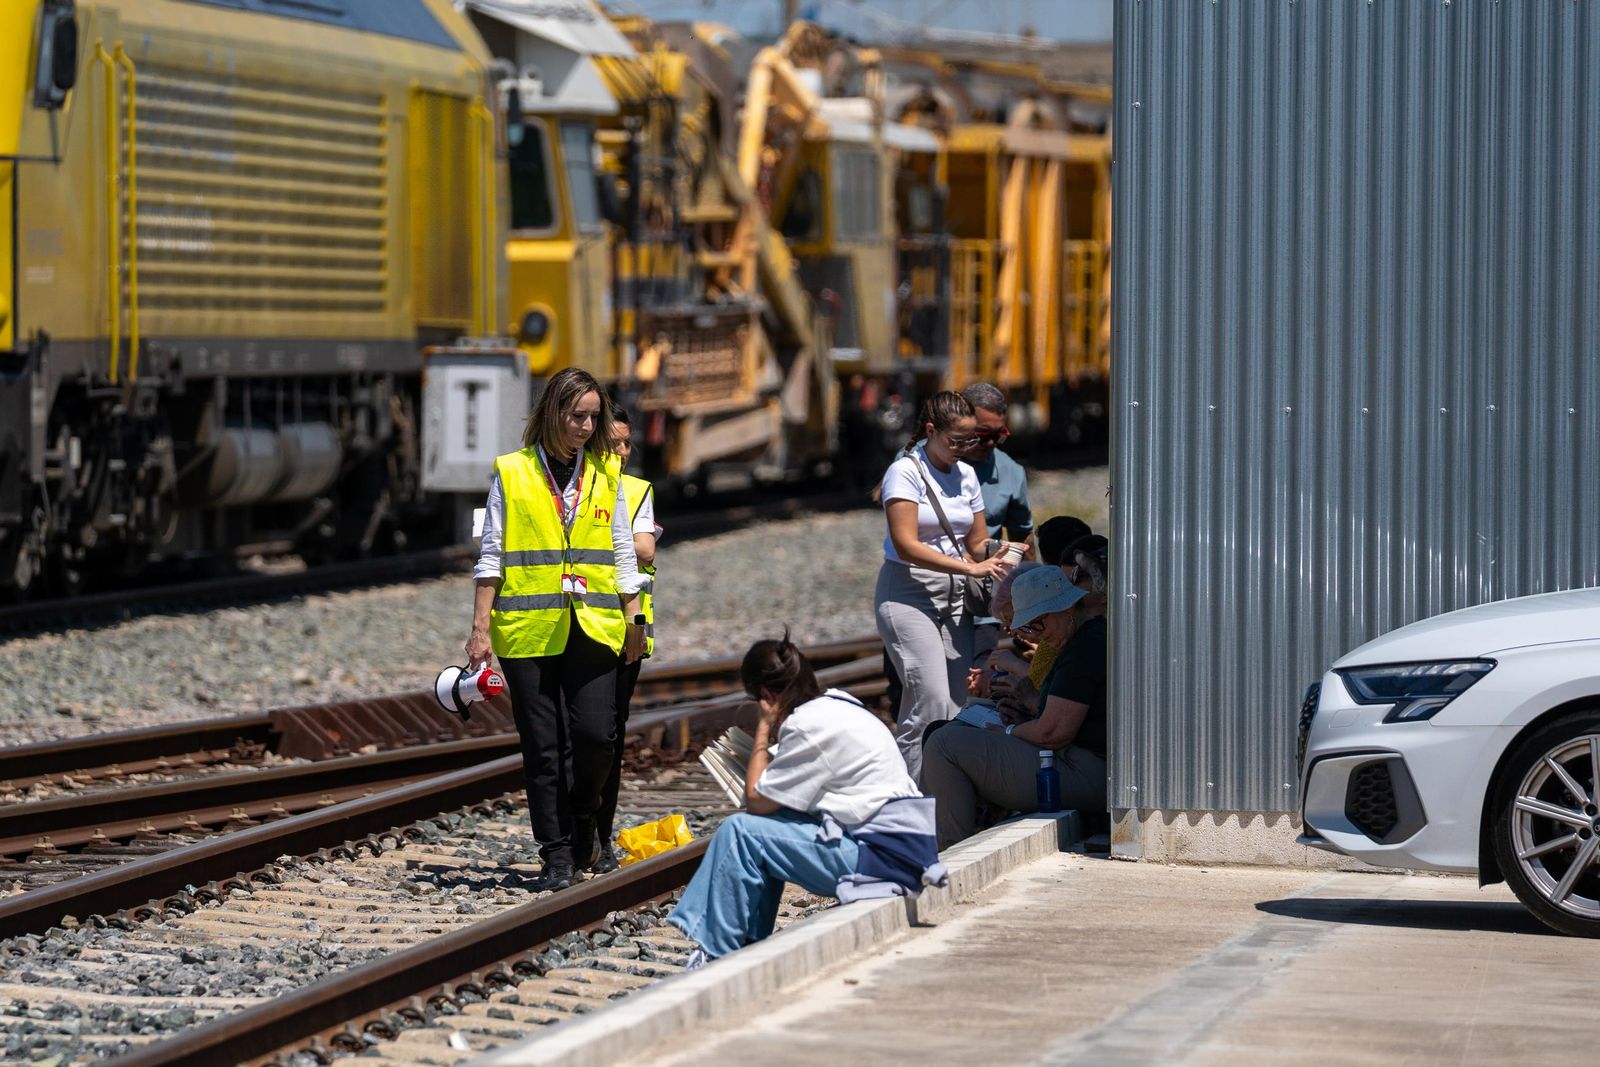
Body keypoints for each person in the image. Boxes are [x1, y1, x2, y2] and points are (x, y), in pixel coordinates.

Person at [464, 368, 649, 891]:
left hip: (593, 624)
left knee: (596, 735)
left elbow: (619, 550)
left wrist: (635, 616)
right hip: (527, 630)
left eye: (595, 416)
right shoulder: (513, 471)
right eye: (578, 416)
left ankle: (587, 821)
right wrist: (480, 629)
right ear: (553, 413)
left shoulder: (604, 473)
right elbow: (492, 554)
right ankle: (557, 854)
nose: (588, 426)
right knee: (543, 747)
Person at [668, 635, 944, 969]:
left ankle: (717, 951)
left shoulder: (807, 726)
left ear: (768, 696)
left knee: (741, 832)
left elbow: (755, 800)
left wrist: (762, 728)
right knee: (763, 833)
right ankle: (745, 945)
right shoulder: (839, 705)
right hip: (897, 850)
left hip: (879, 858)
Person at [873, 391, 1021, 782]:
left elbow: (974, 542)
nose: (963, 449)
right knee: (929, 698)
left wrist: (1000, 552)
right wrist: (969, 568)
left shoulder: (967, 474)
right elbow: (906, 544)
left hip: (955, 597)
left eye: (970, 440)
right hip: (907, 593)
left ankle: (944, 793)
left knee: (955, 702)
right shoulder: (904, 472)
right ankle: (913, 802)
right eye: (956, 440)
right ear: (931, 430)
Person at [921, 566, 1107, 848]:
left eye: (1036, 624)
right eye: (1028, 627)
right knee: (946, 730)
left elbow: (1052, 734)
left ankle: (948, 857)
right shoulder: (1080, 639)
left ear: (1064, 608)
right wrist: (1025, 713)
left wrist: (1009, 730)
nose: (1035, 635)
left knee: (944, 745)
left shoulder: (1084, 647)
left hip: (1091, 771)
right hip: (1085, 762)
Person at [590, 408, 661, 874]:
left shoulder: (635, 491)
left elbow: (643, 550)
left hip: (624, 630)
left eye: (626, 444)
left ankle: (600, 836)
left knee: (609, 737)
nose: (621, 452)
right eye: (612, 443)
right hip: (573, 625)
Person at [960, 383, 1034, 660]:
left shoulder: (1010, 472)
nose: (990, 443)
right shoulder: (919, 460)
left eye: (998, 435)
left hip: (980, 606)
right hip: (927, 598)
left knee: (975, 689)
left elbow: (1023, 542)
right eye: (982, 434)